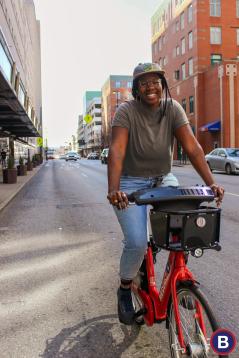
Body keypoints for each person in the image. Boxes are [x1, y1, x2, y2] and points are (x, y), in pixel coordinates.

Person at [107, 62, 225, 325]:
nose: (151, 86)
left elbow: (193, 148)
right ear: (137, 89)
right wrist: (114, 189)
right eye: (144, 82)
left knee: (184, 226)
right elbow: (117, 150)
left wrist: (212, 182)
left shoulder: (172, 108)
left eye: (155, 81)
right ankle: (125, 288)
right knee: (137, 243)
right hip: (129, 182)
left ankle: (178, 278)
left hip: (163, 178)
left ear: (162, 85)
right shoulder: (126, 111)